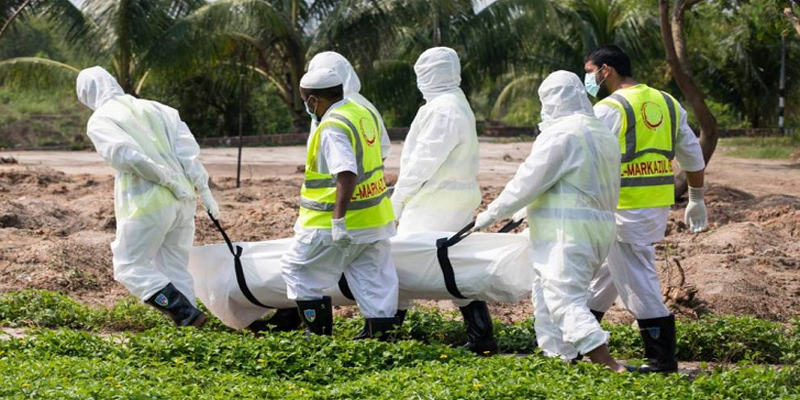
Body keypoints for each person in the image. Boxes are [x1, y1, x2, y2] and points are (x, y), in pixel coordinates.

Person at [474, 71, 625, 372]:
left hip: (568, 234)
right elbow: (573, 181)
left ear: (554, 100)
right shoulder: (600, 130)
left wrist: (492, 213)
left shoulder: (562, 133)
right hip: (596, 230)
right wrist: (523, 211)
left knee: (563, 300)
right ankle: (559, 361)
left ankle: (609, 364)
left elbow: (528, 180)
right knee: (545, 297)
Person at [249, 51, 395, 335]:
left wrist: (338, 221)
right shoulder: (362, 113)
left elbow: (346, 172)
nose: (307, 107)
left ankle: (317, 338)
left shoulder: (332, 126)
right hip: (375, 218)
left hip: (333, 222)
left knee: (297, 270)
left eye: (306, 102)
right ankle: (380, 337)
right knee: (373, 278)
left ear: (314, 100)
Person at [583, 44, 709, 373]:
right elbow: (692, 154)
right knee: (609, 275)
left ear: (605, 70)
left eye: (589, 72)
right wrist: (696, 196)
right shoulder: (667, 102)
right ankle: (577, 337)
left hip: (623, 209)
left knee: (638, 282)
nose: (588, 79)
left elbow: (588, 161)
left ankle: (661, 359)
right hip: (653, 207)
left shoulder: (610, 108)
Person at [76, 66, 219, 327]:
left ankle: (184, 313)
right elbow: (189, 154)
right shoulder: (161, 109)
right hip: (185, 200)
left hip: (148, 203)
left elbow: (125, 156)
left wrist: (165, 180)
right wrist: (204, 192)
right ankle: (192, 326)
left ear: (87, 94)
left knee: (128, 265)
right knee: (175, 265)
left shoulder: (101, 119)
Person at [391, 47, 497, 355]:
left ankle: (385, 331)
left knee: (402, 263)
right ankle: (481, 335)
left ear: (431, 74)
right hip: (449, 201)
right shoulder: (452, 103)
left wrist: (397, 199)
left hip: (432, 203)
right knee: (452, 267)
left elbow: (423, 162)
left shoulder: (443, 109)